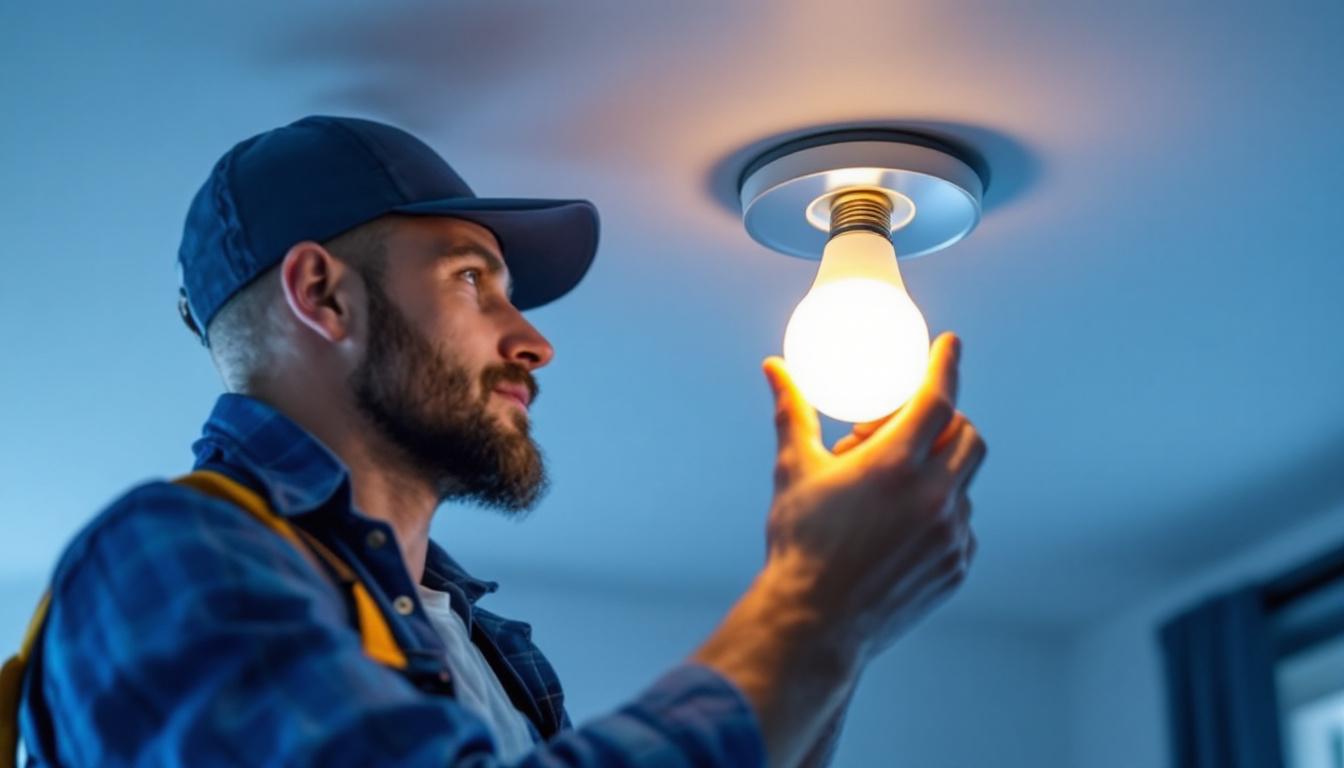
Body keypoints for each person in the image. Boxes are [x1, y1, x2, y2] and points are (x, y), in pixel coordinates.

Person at [13, 116, 985, 767]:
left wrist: (840, 626)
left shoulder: (477, 643)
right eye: (475, 279)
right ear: (321, 295)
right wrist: (813, 605)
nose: (535, 341)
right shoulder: (165, 560)